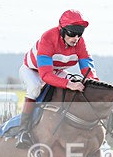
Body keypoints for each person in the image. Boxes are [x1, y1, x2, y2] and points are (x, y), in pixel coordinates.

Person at [16, 9, 100, 149]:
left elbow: (87, 67)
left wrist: (93, 82)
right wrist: (68, 84)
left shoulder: (79, 42)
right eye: (72, 33)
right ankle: (23, 131)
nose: (76, 38)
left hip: (56, 71)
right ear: (62, 30)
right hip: (32, 71)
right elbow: (45, 75)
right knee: (35, 87)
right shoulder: (48, 38)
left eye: (79, 33)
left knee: (77, 85)